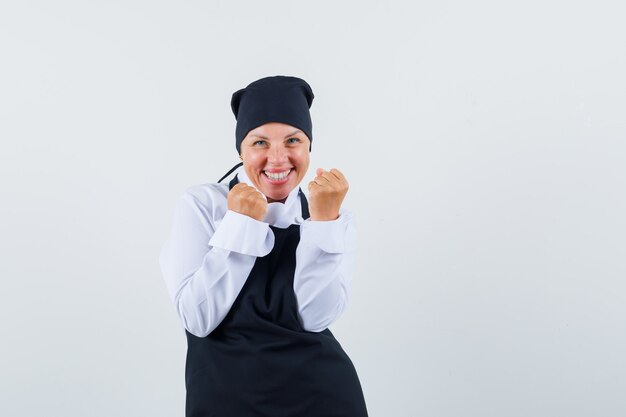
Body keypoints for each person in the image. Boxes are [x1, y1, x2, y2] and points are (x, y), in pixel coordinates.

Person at [159, 75, 368, 416]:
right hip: (225, 402)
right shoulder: (202, 204)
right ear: (240, 148)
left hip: (322, 398)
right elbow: (197, 318)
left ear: (308, 146)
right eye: (259, 143)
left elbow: (316, 318)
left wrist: (325, 225)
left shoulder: (326, 213)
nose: (278, 158)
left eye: (292, 140)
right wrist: (241, 225)